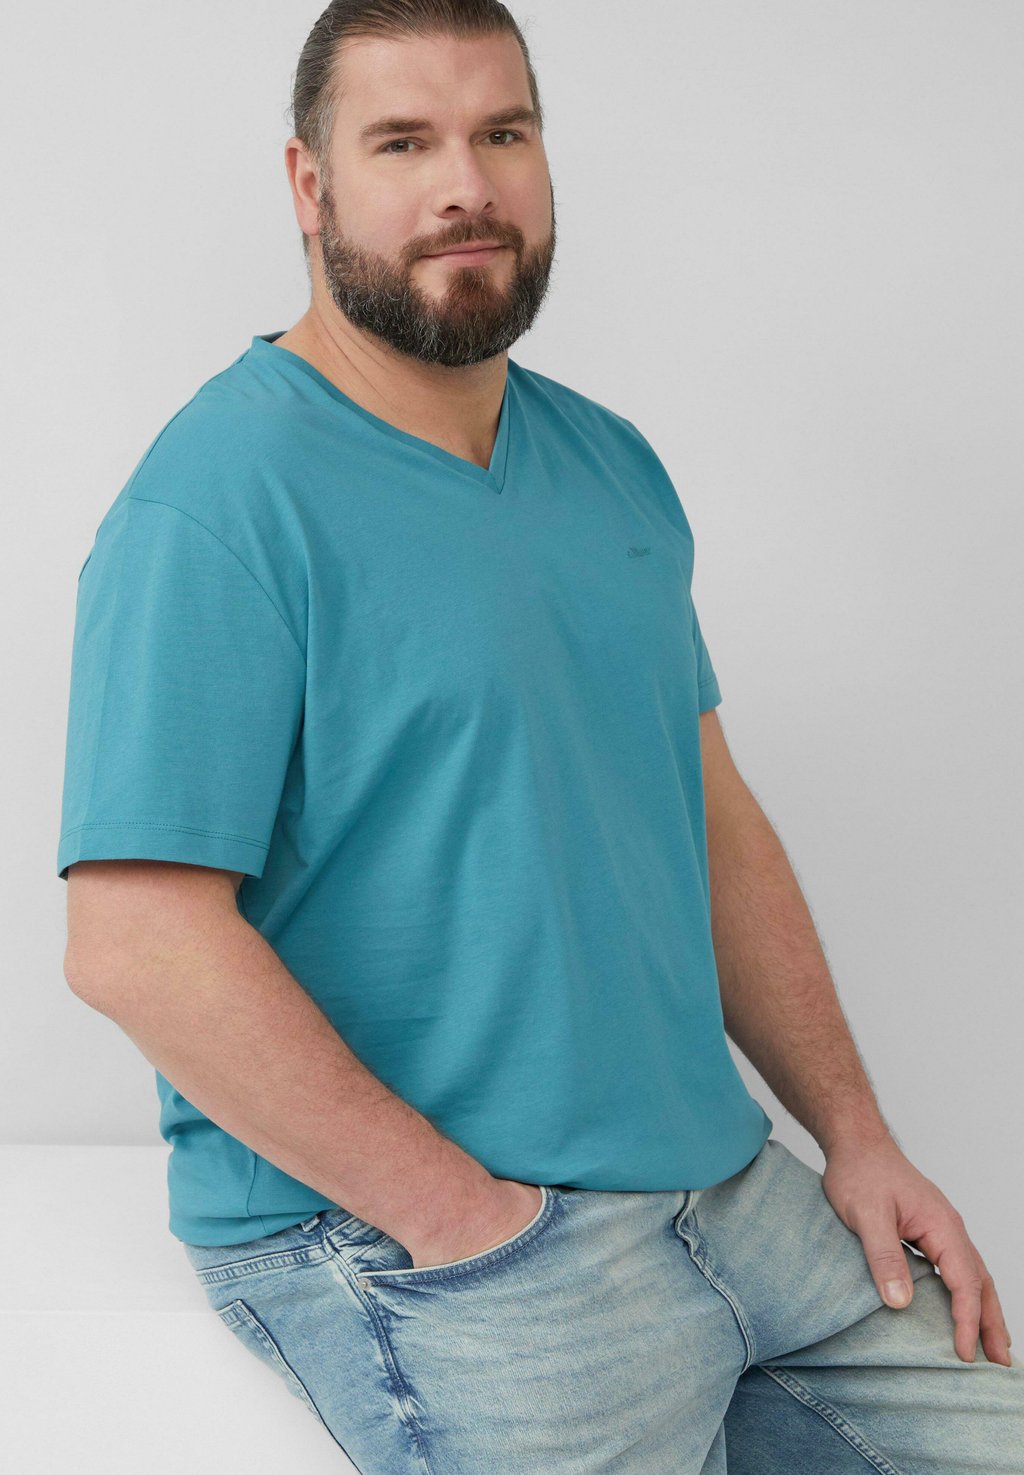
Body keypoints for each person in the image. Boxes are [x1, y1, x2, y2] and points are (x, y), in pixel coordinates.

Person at [57, 2, 1023, 1470]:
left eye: (502, 133)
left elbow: (706, 815)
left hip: (734, 1197)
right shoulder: (216, 501)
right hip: (437, 1240)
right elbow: (134, 941)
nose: (468, 186)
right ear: (310, 186)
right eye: (403, 143)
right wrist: (462, 1218)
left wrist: (858, 1135)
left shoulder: (611, 464)